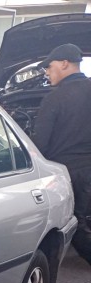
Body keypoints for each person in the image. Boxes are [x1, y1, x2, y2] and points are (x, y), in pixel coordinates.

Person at [32, 43, 91, 265]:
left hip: (66, 174)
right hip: (88, 171)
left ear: (64, 63)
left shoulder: (54, 98)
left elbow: (40, 144)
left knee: (73, 226)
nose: (47, 72)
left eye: (49, 66)